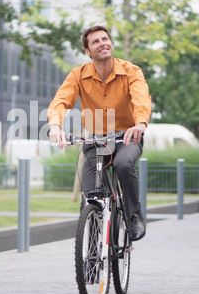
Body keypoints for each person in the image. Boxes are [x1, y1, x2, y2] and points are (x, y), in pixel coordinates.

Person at [48, 25, 151, 241]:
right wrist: (55, 126)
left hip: (127, 137)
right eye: (95, 41)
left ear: (111, 43)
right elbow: (61, 100)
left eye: (105, 39)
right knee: (89, 197)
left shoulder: (131, 71)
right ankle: (93, 246)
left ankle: (134, 215)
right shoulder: (78, 75)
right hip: (95, 141)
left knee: (123, 165)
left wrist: (140, 123)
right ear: (88, 51)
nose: (102, 43)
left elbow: (141, 97)